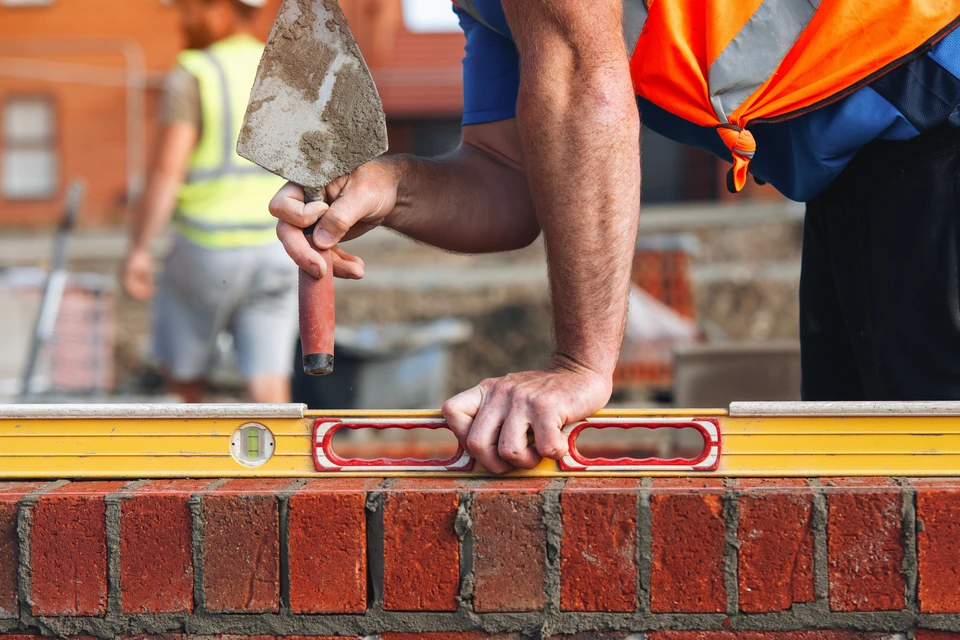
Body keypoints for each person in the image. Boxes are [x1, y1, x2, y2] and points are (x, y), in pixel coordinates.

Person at [268, 0, 960, 472]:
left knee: (931, 492)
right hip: (872, 172)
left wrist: (580, 366)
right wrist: (392, 187)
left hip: (938, 110)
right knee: (874, 491)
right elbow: (509, 176)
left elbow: (580, 82)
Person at [121, 0, 296, 403]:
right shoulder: (284, 66)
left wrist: (139, 250)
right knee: (269, 382)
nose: (183, 21)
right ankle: (280, 467)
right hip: (277, 248)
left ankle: (187, 465)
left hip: (206, 250)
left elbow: (167, 173)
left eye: (189, 8)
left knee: (185, 382)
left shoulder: (195, 73)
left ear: (222, 7)